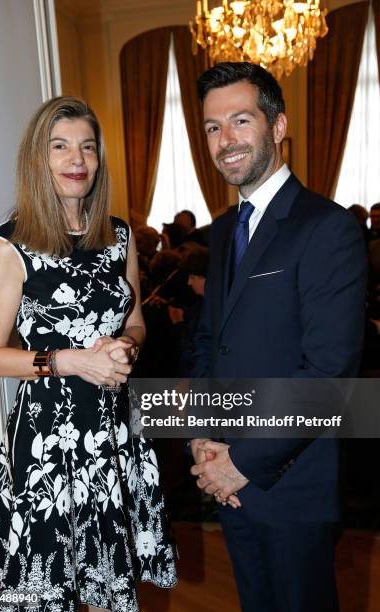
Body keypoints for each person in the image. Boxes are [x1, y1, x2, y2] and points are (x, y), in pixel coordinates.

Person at [0, 97, 177, 612]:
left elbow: (135, 322)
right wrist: (70, 360)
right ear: (37, 160)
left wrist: (125, 348)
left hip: (117, 433)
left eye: (87, 146)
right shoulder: (10, 245)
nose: (77, 158)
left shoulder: (118, 235)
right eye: (60, 146)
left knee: (111, 589)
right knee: (42, 590)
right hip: (47, 442)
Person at [189, 62, 366, 612]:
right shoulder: (222, 230)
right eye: (213, 128)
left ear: (278, 126)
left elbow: (329, 373)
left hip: (288, 483)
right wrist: (202, 435)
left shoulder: (327, 227)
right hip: (227, 479)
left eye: (240, 121)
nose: (225, 140)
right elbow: (207, 343)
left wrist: (242, 463)